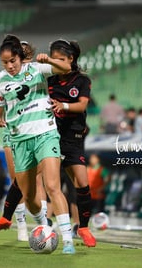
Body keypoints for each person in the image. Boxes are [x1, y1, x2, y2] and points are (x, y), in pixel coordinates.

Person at [0, 34, 76, 254]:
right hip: (19, 141)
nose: (9, 66)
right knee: (28, 197)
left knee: (53, 186)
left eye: (12, 61)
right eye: (4, 63)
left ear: (20, 58)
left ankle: (67, 241)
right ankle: (43, 225)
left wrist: (50, 61)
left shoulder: (37, 69)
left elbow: (66, 67)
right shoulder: (1, 81)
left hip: (45, 134)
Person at [0, 40, 48, 242]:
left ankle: (42, 224)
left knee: (38, 179)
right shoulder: (1, 78)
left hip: (37, 129)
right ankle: (20, 224)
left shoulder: (37, 71)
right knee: (18, 179)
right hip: (13, 132)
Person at [47, 38, 96, 247]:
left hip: (73, 140)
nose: (55, 64)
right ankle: (45, 222)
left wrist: (63, 106)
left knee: (82, 185)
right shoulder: (48, 82)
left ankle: (83, 227)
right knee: (50, 185)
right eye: (53, 60)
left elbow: (82, 105)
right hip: (52, 139)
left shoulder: (82, 80)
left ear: (70, 59)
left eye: (60, 60)